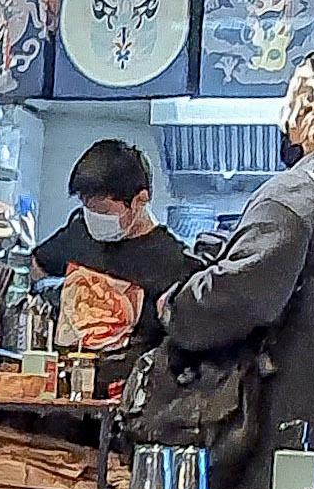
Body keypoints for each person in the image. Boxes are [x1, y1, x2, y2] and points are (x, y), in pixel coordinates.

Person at [161, 54, 314, 489]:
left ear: (307, 110)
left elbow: (239, 298)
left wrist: (178, 304)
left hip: (289, 456)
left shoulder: (300, 193)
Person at [29, 139, 195, 348]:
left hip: (130, 367)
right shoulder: (79, 232)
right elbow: (36, 268)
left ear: (140, 200)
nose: (94, 218)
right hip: (65, 364)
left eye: (104, 211)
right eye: (88, 208)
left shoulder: (174, 263)